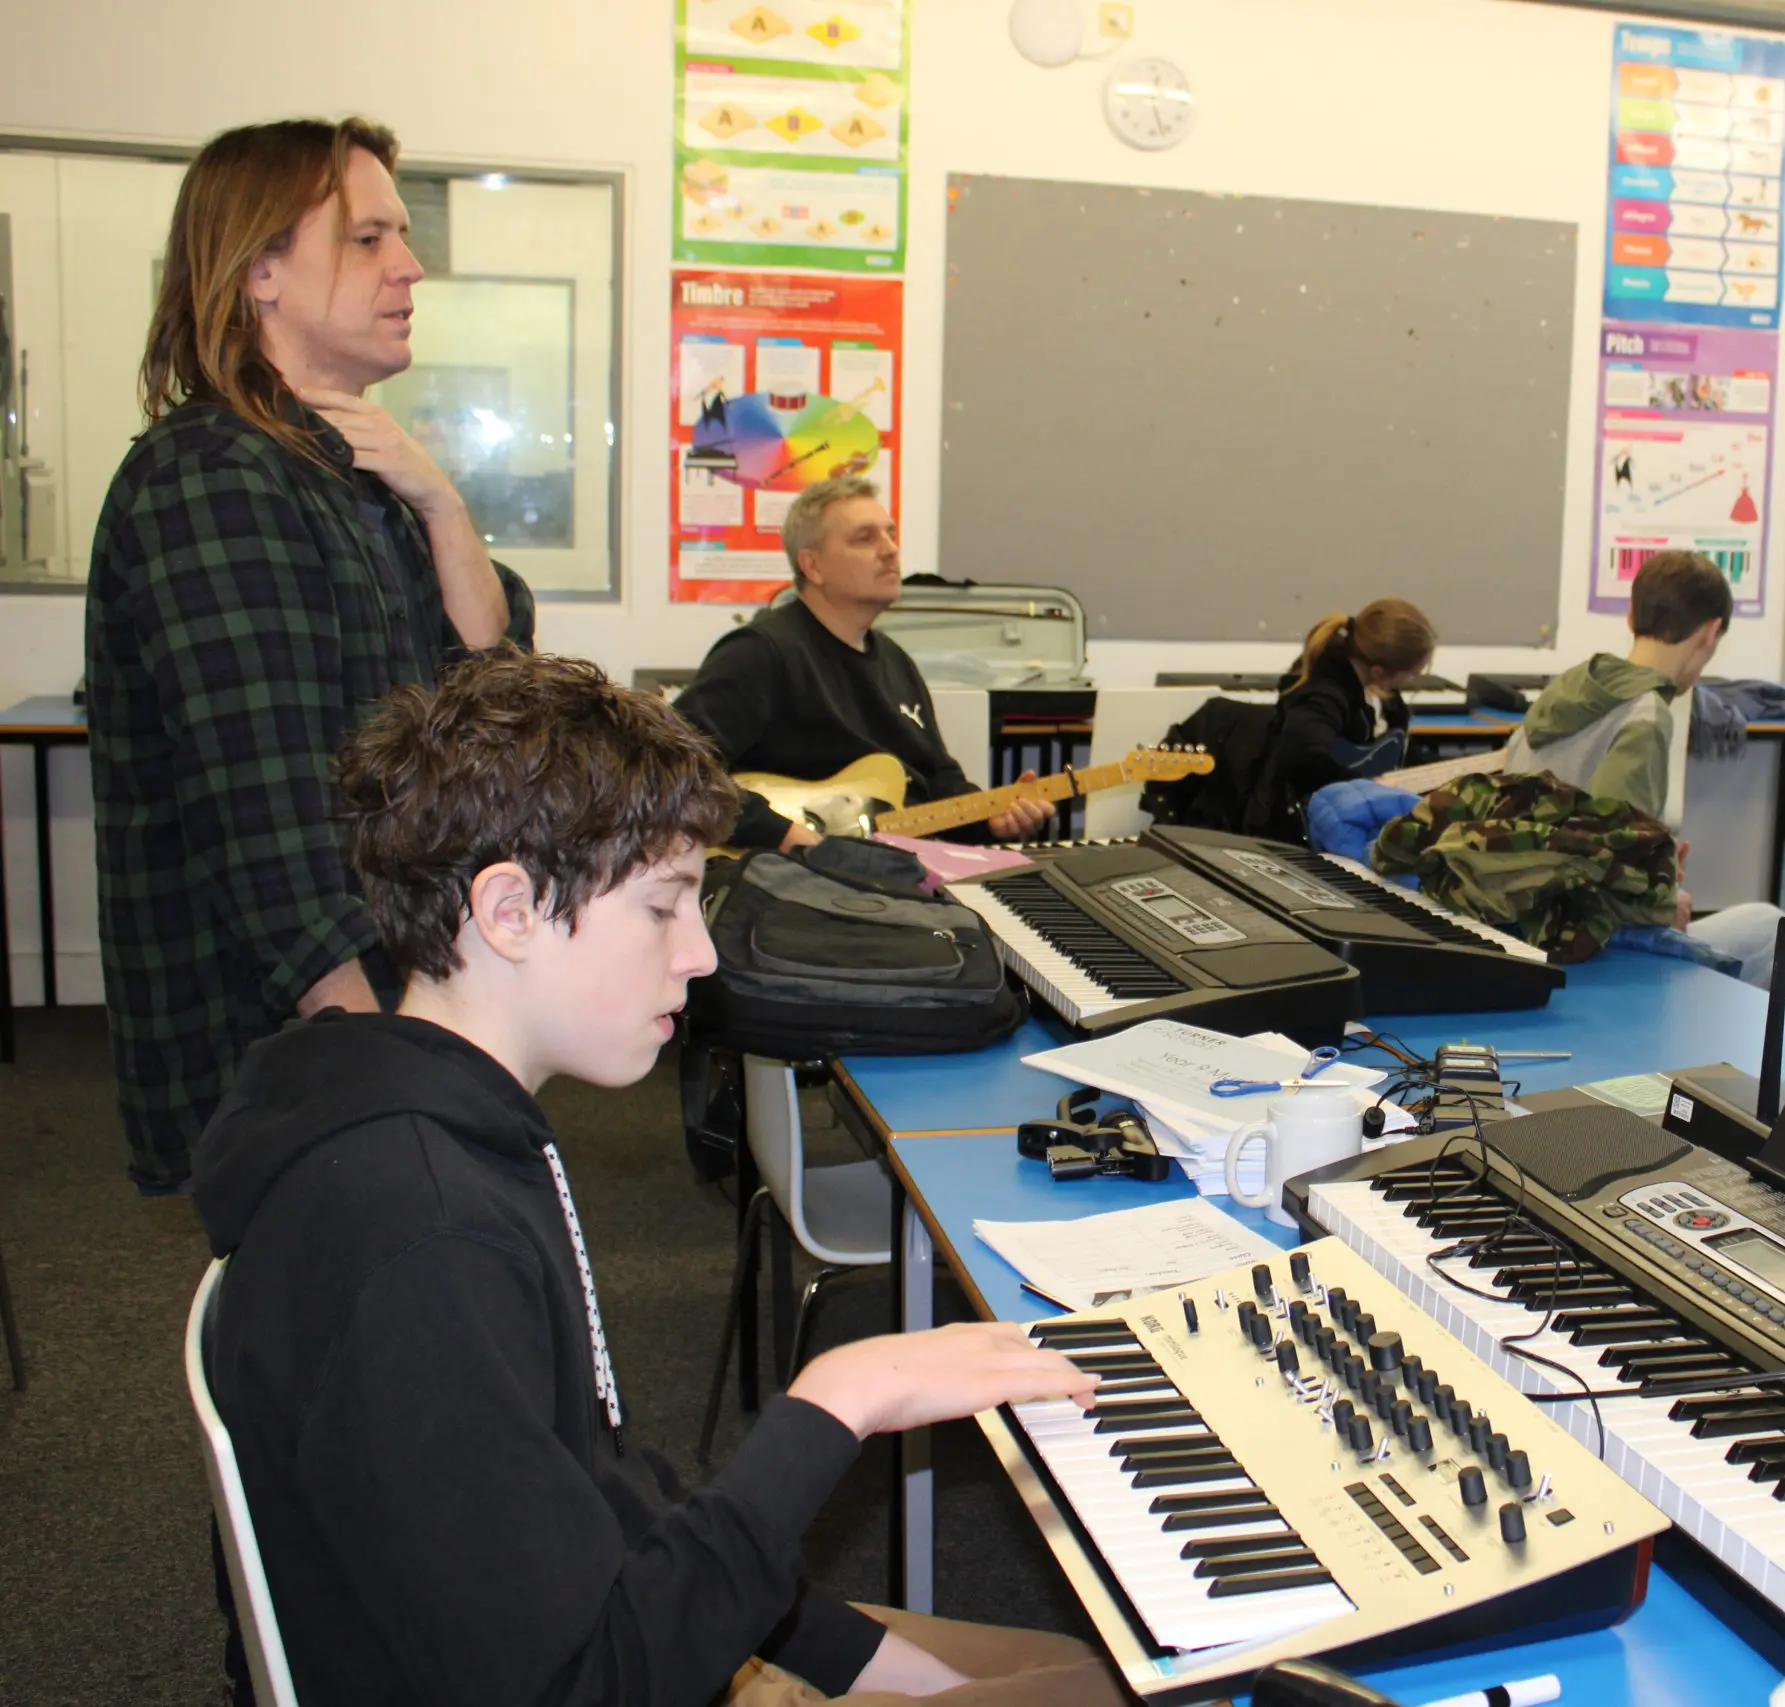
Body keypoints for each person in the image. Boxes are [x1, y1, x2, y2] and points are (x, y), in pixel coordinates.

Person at [193, 652, 1116, 1705]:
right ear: (509, 912)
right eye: (663, 906)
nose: (702, 956)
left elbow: (601, 1496)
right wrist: (838, 1400)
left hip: (608, 1628)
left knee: (1083, 1677)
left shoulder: (440, 1124)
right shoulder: (426, 1234)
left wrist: (857, 1663)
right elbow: (588, 1681)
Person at [86, 116, 534, 1195]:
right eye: (370, 238)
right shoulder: (215, 480)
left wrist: (441, 503)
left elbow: (496, 686)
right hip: (293, 1048)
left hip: (375, 1012)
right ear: (261, 274)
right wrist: (386, 1072)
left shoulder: (353, 477)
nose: (410, 265)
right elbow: (269, 818)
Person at [674, 475, 1050, 850]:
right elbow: (676, 768)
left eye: (890, 534)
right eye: (865, 538)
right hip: (792, 884)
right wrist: (782, 834)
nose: (890, 550)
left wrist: (990, 821)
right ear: (813, 566)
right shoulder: (759, 653)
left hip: (896, 869)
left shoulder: (896, 661)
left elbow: (936, 784)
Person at [1501, 548, 1731, 821]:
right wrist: (1659, 862)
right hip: (1562, 862)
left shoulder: (1567, 685)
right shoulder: (1646, 716)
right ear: (1710, 633)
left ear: (1630, 615)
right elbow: (1616, 848)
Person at [1258, 598, 1438, 836]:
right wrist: (1366, 786)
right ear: (1379, 671)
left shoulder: (1379, 689)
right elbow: (1303, 759)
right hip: (1309, 827)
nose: (1413, 679)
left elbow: (1398, 750)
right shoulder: (1323, 695)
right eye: (1412, 674)